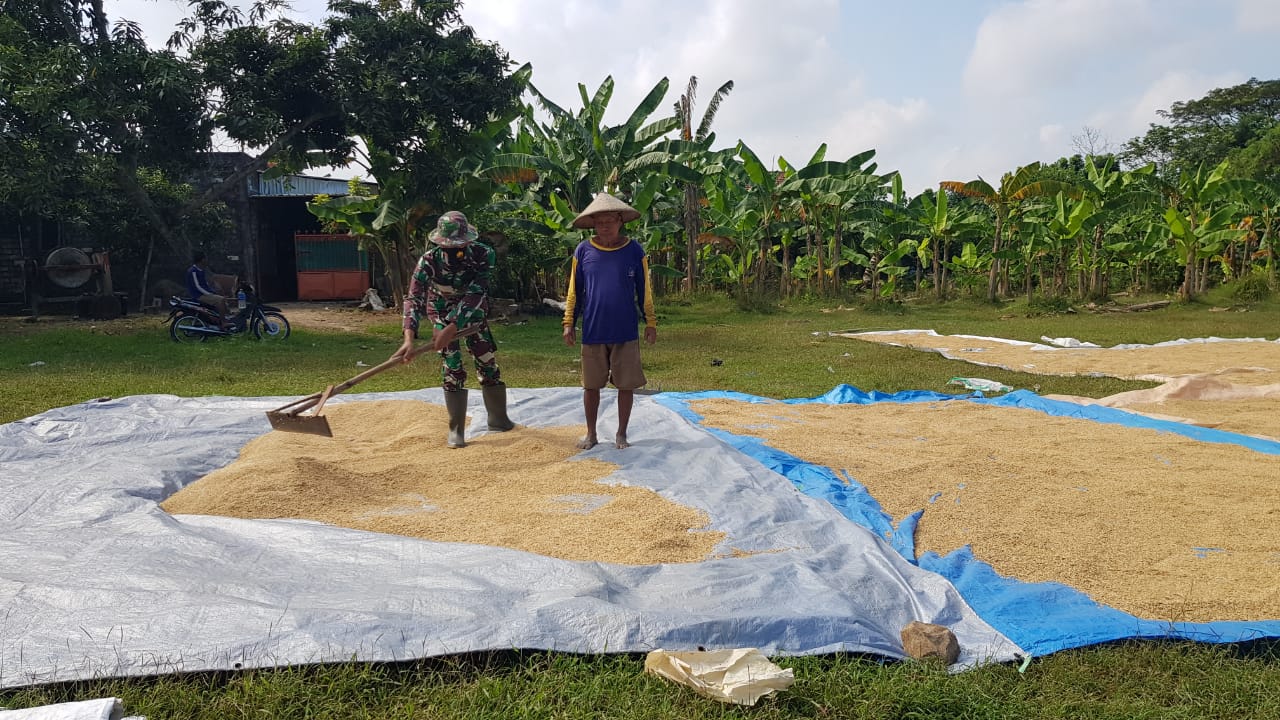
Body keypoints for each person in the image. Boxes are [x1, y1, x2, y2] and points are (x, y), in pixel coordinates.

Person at [392, 210, 515, 448]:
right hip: (439, 309)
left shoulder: (483, 254)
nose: (452, 251)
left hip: (472, 310)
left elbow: (476, 292)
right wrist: (409, 337)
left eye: (458, 246)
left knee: (486, 360)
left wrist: (455, 325)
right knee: (452, 366)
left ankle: (499, 419)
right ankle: (456, 430)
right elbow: (414, 298)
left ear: (468, 241)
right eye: (447, 247)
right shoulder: (428, 261)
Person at [562, 193, 658, 450]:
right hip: (593, 330)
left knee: (625, 385)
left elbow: (644, 289)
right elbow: (574, 290)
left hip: (625, 329)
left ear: (620, 221)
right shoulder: (583, 251)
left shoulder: (634, 250)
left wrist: (651, 321)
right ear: (593, 223)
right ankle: (591, 434)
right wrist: (568, 322)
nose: (604, 226)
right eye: (599, 222)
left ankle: (621, 434)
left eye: (609, 221)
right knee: (591, 387)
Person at [185, 251, 231, 322]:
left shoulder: (201, 270)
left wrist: (213, 291)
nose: (207, 260)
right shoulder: (193, 271)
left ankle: (228, 316)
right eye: (205, 258)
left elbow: (205, 284)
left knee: (223, 299)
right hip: (198, 296)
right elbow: (197, 286)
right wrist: (209, 294)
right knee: (221, 300)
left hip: (203, 294)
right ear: (202, 259)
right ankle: (223, 322)